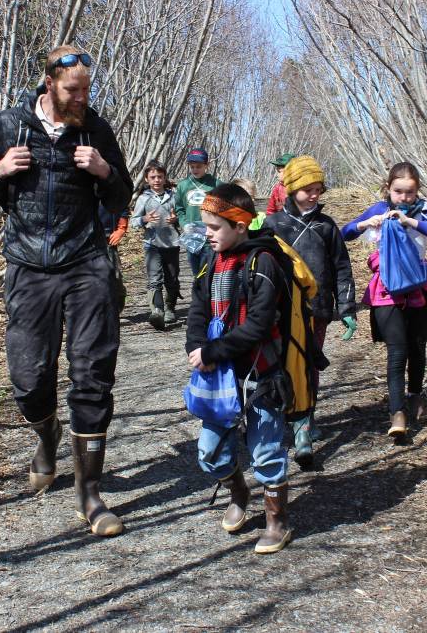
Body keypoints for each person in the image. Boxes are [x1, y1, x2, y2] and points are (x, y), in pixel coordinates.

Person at [0, 45, 133, 536]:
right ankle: (47, 434)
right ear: (47, 84)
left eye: (86, 89)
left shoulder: (96, 129)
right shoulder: (9, 125)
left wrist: (103, 171)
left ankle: (90, 496)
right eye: (72, 90)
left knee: (92, 372)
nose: (81, 97)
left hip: (86, 261)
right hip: (27, 266)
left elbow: (123, 193)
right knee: (28, 379)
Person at [185, 183, 293, 554]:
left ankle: (276, 522)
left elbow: (259, 325)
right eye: (206, 226)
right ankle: (238, 491)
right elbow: (198, 309)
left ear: (240, 225)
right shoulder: (210, 261)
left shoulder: (263, 263)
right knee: (210, 453)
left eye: (215, 228)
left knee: (266, 452)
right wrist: (196, 346)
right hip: (219, 377)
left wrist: (213, 351)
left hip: (261, 375)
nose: (208, 234)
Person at [341, 161, 427, 439]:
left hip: (417, 289)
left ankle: (415, 395)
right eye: (398, 191)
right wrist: (366, 222)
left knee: (418, 346)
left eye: (409, 192)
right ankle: (397, 413)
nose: (404, 198)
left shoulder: (423, 210)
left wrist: (409, 220)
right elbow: (346, 233)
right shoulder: (379, 208)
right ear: (388, 188)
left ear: (417, 191)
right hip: (386, 291)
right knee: (397, 351)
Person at [265, 156, 357, 464]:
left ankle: (306, 421)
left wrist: (346, 307)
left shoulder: (327, 226)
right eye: (307, 188)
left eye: (318, 188)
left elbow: (342, 268)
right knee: (280, 364)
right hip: (280, 311)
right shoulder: (273, 225)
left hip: (317, 309)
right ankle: (279, 420)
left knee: (309, 365)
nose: (314, 194)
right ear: (291, 189)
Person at [131, 159, 180, 330]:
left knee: (172, 279)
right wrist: (145, 219)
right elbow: (134, 222)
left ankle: (169, 308)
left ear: (165, 178)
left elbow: (182, 215)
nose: (157, 180)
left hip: (172, 243)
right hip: (151, 244)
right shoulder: (143, 199)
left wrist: (176, 219)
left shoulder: (173, 196)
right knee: (154, 280)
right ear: (147, 179)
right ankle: (157, 311)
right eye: (153, 177)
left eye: (160, 176)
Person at [174, 147, 219, 276]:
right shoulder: (183, 185)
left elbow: (223, 210)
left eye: (198, 166)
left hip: (210, 236)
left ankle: (210, 295)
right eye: (192, 166)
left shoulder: (216, 184)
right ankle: (198, 294)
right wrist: (184, 224)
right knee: (197, 274)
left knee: (209, 272)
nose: (195, 170)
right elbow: (179, 208)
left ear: (207, 165)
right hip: (191, 235)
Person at [98, 203, 129, 314]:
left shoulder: (111, 187)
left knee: (115, 276)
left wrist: (121, 228)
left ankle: (118, 301)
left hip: (109, 239)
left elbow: (123, 204)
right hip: (87, 239)